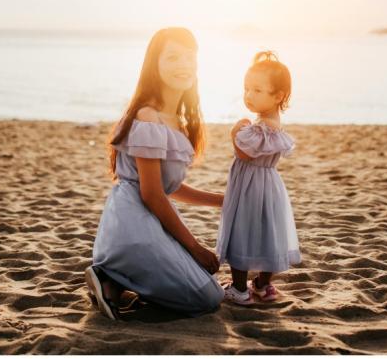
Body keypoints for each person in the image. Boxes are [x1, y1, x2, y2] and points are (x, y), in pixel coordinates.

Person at [86, 27, 224, 319]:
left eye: (189, 57)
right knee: (208, 297)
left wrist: (221, 200)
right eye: (172, 57)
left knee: (208, 286)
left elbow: (170, 187)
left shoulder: (179, 121)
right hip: (132, 222)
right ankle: (111, 275)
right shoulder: (148, 116)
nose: (183, 65)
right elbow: (151, 194)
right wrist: (195, 246)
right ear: (154, 64)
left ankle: (114, 285)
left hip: (146, 217)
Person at [215, 51, 301, 305]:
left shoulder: (263, 126)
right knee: (268, 231)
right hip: (268, 185)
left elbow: (246, 152)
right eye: (246, 88)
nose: (248, 95)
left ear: (278, 96)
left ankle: (240, 289)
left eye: (257, 90)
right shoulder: (272, 122)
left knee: (242, 230)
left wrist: (235, 131)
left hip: (250, 185)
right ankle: (263, 284)